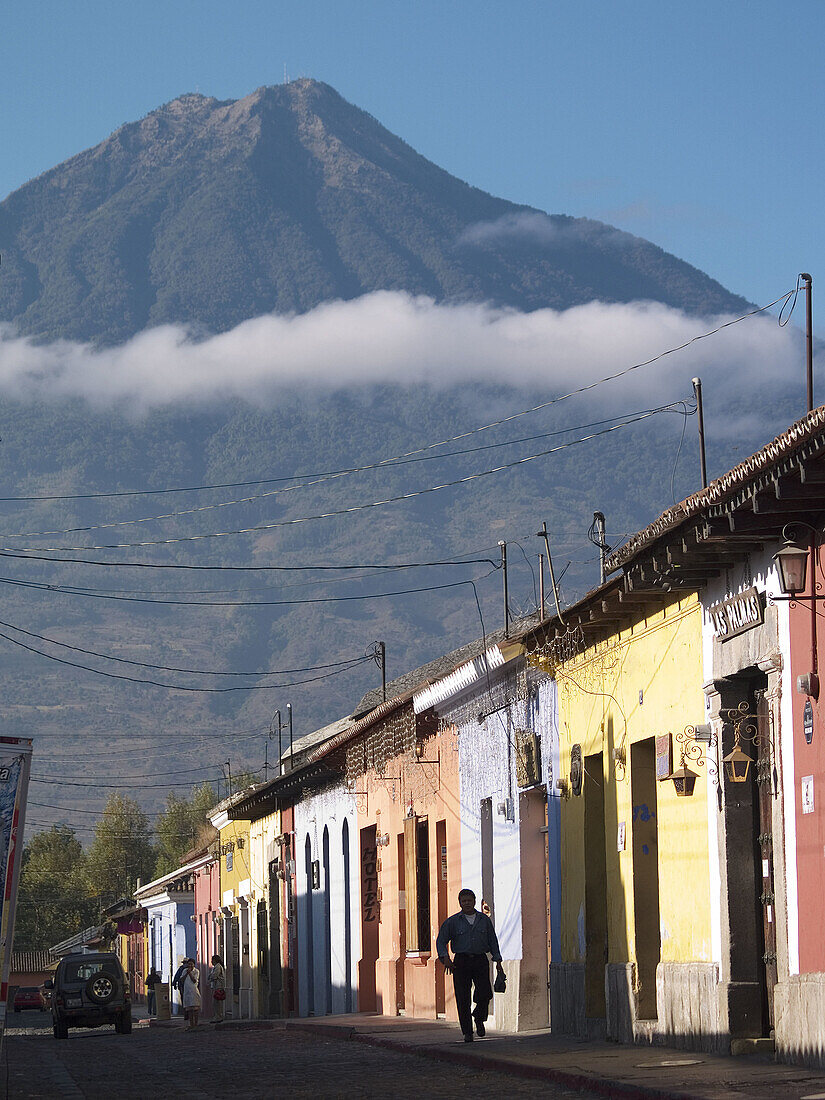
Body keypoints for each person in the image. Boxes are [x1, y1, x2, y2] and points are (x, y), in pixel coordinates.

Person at [436, 888, 505, 1043]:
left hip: (480, 960)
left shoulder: (484, 920)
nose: (467, 903)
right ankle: (467, 1032)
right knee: (462, 998)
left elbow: (492, 940)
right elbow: (441, 940)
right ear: (460, 903)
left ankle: (479, 1018)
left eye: (469, 900)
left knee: (485, 993)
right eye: (463, 901)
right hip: (461, 962)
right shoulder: (452, 922)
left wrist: (498, 960)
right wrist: (445, 958)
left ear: (474, 901)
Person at [181, 958, 201, 1029]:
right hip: (187, 991)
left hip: (194, 991)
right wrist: (186, 973)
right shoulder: (184, 971)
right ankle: (191, 1024)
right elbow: (182, 980)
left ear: (194, 964)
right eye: (188, 964)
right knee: (189, 1009)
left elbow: (194, 981)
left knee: (195, 1008)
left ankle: (196, 1023)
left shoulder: (196, 971)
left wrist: (190, 973)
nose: (190, 965)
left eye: (191, 964)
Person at [207, 954, 226, 1023]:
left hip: (218, 987)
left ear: (214, 960)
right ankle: (217, 1017)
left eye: (212, 960)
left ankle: (218, 1017)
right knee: (216, 1003)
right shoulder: (216, 967)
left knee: (217, 1003)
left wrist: (210, 978)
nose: (211, 962)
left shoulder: (217, 967)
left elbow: (214, 976)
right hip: (217, 987)